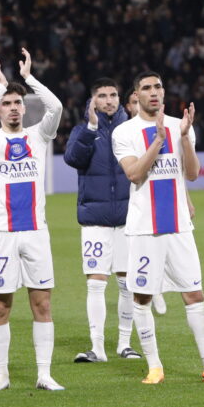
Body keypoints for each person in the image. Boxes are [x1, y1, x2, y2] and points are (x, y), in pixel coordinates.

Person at [112, 71, 204, 384]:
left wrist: (183, 137)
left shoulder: (178, 125)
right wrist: (157, 141)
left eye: (157, 87)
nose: (153, 92)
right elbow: (134, 174)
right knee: (141, 297)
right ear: (137, 95)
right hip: (145, 230)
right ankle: (155, 366)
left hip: (180, 228)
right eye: (146, 88)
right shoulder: (125, 132)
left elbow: (192, 174)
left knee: (194, 294)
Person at [0, 49, 64, 392]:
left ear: (25, 108)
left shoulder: (39, 136)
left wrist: (28, 79)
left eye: (17, 102)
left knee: (42, 302)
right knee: (0, 306)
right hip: (1, 232)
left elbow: (55, 107)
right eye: (6, 103)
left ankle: (44, 374)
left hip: (36, 232)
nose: (12, 107)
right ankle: (2, 374)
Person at [64, 78, 142, 363]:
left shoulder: (132, 130)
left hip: (127, 220)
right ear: (93, 101)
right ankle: (97, 348)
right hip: (95, 221)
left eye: (113, 95)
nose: (109, 100)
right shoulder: (82, 131)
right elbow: (73, 159)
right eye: (102, 96)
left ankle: (124, 344)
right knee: (96, 283)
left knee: (126, 284)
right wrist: (92, 128)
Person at [125, 90, 169, 316]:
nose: (135, 106)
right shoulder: (124, 133)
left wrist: (187, 200)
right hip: (124, 204)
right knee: (127, 268)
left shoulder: (153, 129)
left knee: (150, 255)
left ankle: (156, 289)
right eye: (132, 102)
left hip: (146, 202)